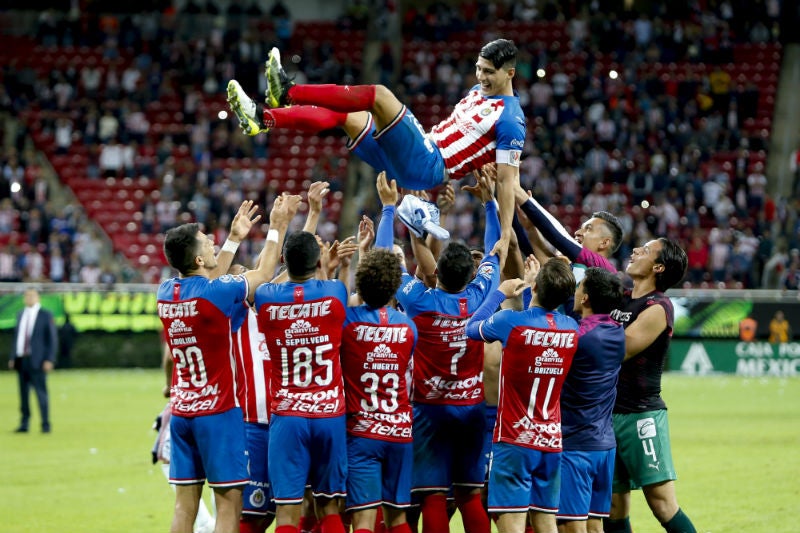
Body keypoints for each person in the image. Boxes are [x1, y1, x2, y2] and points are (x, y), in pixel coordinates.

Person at [226, 38, 526, 264]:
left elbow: (508, 180)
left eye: (488, 72)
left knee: (379, 95)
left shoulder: (512, 120)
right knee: (348, 118)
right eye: (478, 68)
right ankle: (263, 118)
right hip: (420, 157)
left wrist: (504, 234)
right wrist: (474, 166)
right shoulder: (478, 93)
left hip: (428, 163)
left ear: (510, 73)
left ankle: (287, 92)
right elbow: (472, 140)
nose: (480, 77)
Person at [157, 195, 300, 533]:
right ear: (197, 257)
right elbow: (264, 272)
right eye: (206, 242)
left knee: (184, 507)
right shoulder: (216, 293)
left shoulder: (165, 292)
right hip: (218, 414)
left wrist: (236, 237)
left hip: (182, 413)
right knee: (228, 504)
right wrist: (277, 228)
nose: (212, 243)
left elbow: (208, 279)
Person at [392, 174, 501, 533]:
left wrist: (397, 215)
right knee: (470, 494)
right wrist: (490, 204)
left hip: (428, 408)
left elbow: (388, 263)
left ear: (437, 273)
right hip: (470, 408)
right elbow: (495, 250)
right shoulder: (481, 293)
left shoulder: (422, 302)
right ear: (471, 273)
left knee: (433, 495)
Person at [465, 256, 579, 533]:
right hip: (550, 441)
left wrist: (499, 294)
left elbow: (470, 328)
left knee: (512, 523)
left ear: (537, 288)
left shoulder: (509, 322)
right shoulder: (572, 329)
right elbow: (543, 318)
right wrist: (535, 287)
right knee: (545, 522)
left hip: (515, 439)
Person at [253, 229, 350, 533]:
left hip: (287, 415)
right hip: (329, 414)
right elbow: (330, 288)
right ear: (318, 260)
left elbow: (264, 280)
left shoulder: (266, 298)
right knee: (329, 507)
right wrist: (326, 266)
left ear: (284, 261)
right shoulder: (335, 293)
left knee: (287, 512)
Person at [338, 179, 419, 532]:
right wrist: (389, 211)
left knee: (364, 518)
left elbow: (349, 297)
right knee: (399, 516)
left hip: (363, 431)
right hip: (400, 430)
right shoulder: (407, 327)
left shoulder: (349, 323)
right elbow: (383, 281)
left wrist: (354, 261)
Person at [604, 239, 696, 533]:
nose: (634, 251)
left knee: (662, 504)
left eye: (644, 251)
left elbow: (622, 348)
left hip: (640, 417)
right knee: (614, 507)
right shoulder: (622, 298)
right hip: (607, 416)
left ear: (658, 267)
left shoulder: (658, 307)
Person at [557, 268, 626, 533]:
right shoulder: (617, 332)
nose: (574, 292)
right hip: (604, 446)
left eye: (578, 287)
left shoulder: (577, 338)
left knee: (569, 526)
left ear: (585, 298)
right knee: (594, 523)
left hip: (576, 445)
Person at [8, 287, 58, 433]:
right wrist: (13, 357)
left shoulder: (45, 315)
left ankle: (45, 424)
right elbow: (17, 338)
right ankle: (24, 423)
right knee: (23, 395)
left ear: (38, 298)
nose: (29, 298)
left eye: (32, 296)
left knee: (41, 393)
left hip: (38, 360)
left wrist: (49, 359)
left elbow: (52, 339)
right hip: (22, 359)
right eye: (27, 296)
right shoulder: (20, 314)